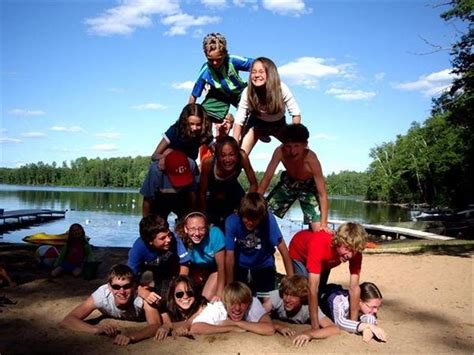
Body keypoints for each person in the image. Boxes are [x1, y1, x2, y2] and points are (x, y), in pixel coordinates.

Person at [288, 223, 367, 331]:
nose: (350, 255)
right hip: (300, 253)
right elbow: (312, 287)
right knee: (303, 291)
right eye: (347, 249)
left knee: (319, 292)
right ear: (339, 241)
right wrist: (315, 327)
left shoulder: (355, 252)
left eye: (354, 251)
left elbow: (354, 287)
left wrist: (353, 324)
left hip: (325, 262)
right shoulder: (319, 242)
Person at [61, 264, 161, 346]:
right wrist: (96, 329)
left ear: (134, 286)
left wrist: (132, 337)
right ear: (109, 287)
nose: (121, 292)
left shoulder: (143, 298)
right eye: (116, 287)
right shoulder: (102, 294)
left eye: (126, 286)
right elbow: (68, 320)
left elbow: (155, 325)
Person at [258, 124, 329, 232]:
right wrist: (254, 202)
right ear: (283, 144)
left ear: (305, 145)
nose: (292, 151)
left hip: (308, 187)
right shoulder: (279, 152)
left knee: (319, 229)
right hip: (289, 182)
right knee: (260, 211)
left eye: (296, 146)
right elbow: (266, 179)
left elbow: (322, 194)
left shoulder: (311, 159)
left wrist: (324, 223)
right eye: (288, 146)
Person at [224, 192, 294, 303]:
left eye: (255, 219)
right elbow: (229, 255)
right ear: (241, 213)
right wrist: (230, 285)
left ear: (262, 216)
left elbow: (283, 250)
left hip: (263, 265)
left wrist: (291, 280)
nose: (250, 222)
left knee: (267, 304)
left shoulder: (269, 219)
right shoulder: (232, 221)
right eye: (247, 218)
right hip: (240, 266)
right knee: (239, 300)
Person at [233, 57, 301, 154]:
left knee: (300, 149)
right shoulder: (247, 92)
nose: (257, 75)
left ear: (270, 74)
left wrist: (295, 138)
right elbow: (239, 120)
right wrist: (234, 144)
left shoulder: (281, 88)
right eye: (253, 72)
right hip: (256, 123)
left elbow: (296, 113)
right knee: (239, 153)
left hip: (278, 123)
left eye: (261, 72)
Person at [189, 33, 253, 124]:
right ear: (205, 55)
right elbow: (194, 95)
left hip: (239, 92)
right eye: (210, 60)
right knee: (202, 116)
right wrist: (188, 115)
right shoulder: (206, 70)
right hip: (220, 96)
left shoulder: (232, 60)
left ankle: (258, 124)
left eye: (218, 59)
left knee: (253, 111)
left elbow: (257, 64)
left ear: (225, 54)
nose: (215, 63)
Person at [128, 215, 191, 307]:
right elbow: (129, 276)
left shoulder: (175, 239)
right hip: (146, 270)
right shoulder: (138, 248)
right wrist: (142, 291)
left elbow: (185, 263)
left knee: (170, 298)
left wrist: (180, 285)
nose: (168, 239)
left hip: (168, 269)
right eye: (162, 238)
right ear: (150, 241)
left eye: (169, 234)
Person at [199, 136, 258, 230]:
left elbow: (253, 184)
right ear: (217, 156)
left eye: (231, 154)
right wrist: (204, 217)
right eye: (223, 155)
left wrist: (247, 206)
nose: (227, 160)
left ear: (237, 154)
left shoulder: (242, 157)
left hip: (231, 188)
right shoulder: (208, 163)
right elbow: (202, 193)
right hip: (212, 191)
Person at [265, 275, 338, 343]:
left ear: (302, 297)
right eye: (286, 294)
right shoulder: (277, 298)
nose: (287, 299)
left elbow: (334, 329)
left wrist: (310, 334)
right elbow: (256, 317)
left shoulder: (308, 307)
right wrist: (277, 326)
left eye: (293, 295)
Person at [175, 212, 226, 302]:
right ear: (185, 229)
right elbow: (183, 265)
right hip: (194, 270)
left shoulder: (215, 234)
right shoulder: (180, 239)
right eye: (192, 229)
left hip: (215, 270)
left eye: (202, 229)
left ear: (207, 227)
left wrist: (219, 293)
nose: (197, 233)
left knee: (204, 300)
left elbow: (221, 267)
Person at [190, 281, 274, 335]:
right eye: (233, 303)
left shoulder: (252, 302)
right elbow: (196, 327)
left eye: (242, 303)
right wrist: (230, 328)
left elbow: (269, 329)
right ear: (225, 303)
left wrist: (236, 323)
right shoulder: (218, 307)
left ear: (248, 302)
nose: (237, 308)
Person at [140, 150, 199, 220]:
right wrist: (145, 222)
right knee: (156, 224)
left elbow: (192, 194)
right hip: (160, 198)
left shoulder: (191, 165)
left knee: (187, 222)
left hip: (183, 197)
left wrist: (192, 218)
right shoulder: (155, 170)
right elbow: (147, 200)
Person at [155, 275, 207, 341]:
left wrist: (169, 326)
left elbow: (191, 322)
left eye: (190, 293)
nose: (185, 297)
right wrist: (167, 325)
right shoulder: (165, 307)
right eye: (179, 294)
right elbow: (166, 323)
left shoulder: (201, 304)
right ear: (172, 296)